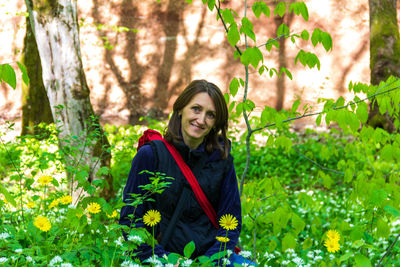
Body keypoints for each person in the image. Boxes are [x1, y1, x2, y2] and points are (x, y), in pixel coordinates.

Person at [119, 80, 254, 266]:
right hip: (159, 259)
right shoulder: (150, 156)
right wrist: (162, 260)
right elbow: (131, 219)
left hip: (211, 260)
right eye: (196, 109)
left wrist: (208, 262)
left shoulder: (221, 161)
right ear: (181, 109)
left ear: (215, 123)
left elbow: (230, 224)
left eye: (210, 115)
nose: (201, 120)